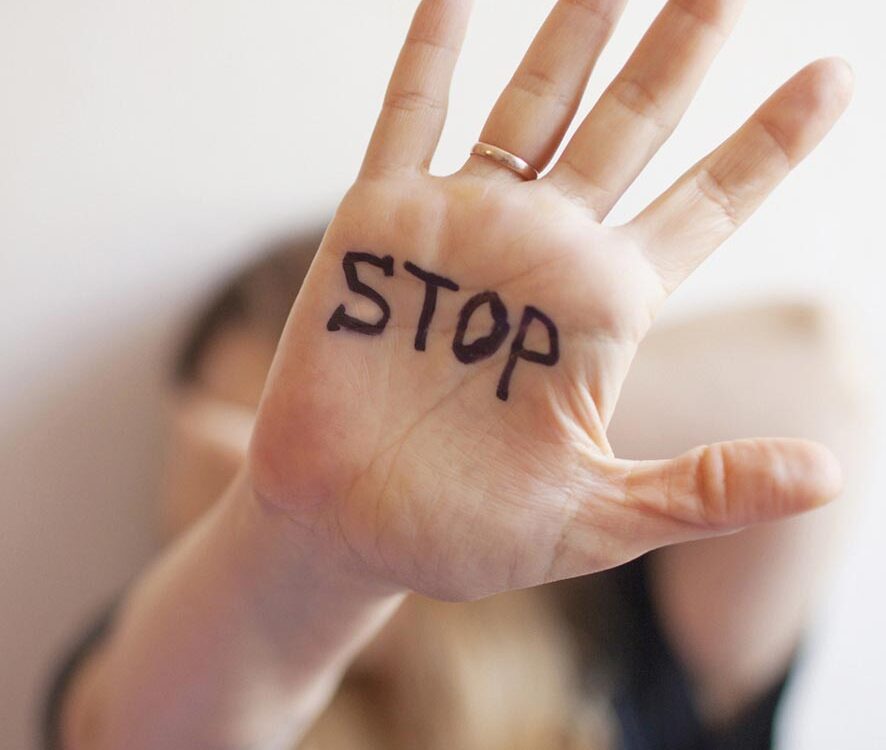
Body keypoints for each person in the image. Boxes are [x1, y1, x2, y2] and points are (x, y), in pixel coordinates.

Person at [45, 0, 858, 748]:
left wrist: (509, 388)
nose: (355, 465)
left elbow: (819, 386)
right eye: (252, 448)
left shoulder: (626, 644)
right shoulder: (162, 670)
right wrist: (292, 548)